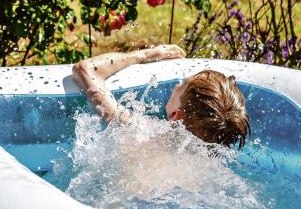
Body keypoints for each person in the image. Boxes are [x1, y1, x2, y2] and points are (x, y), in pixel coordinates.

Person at [72, 44, 250, 149]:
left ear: (176, 115)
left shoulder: (140, 131)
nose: (176, 85)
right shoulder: (213, 162)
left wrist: (145, 54)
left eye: (182, 85)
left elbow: (85, 70)